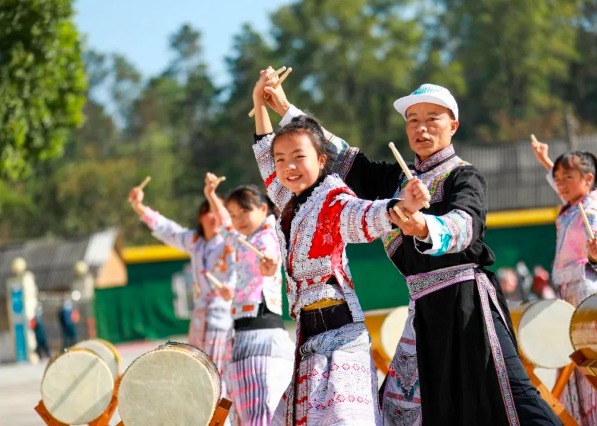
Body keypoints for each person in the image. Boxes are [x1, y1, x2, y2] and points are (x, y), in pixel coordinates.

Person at [263, 77, 561, 425]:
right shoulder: (396, 183)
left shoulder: (463, 176)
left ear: (453, 125)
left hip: (467, 302)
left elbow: (466, 224)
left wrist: (422, 227)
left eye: (432, 118)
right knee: (399, 411)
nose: (420, 127)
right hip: (422, 308)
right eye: (413, 120)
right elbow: (341, 156)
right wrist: (285, 109)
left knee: (512, 395)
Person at [248, 69, 431, 425]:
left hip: (339, 336)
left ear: (320, 159)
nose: (288, 167)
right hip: (308, 335)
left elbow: (364, 216)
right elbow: (264, 157)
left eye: (298, 157)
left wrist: (402, 207)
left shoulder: (332, 196)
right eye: (282, 160)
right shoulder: (287, 200)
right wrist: (258, 103)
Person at [531, 140, 597, 425]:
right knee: (580, 367)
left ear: (588, 179)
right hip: (570, 296)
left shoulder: (592, 208)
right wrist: (546, 160)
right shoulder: (572, 204)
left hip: (587, 294)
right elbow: (562, 184)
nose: (561, 184)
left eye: (568, 177)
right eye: (557, 178)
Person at [127, 184, 236, 399]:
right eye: (208, 211)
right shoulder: (194, 242)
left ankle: (219, 419)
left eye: (219, 211)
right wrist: (138, 206)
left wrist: (231, 288)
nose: (214, 216)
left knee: (215, 373)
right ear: (201, 217)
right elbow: (166, 229)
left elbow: (236, 273)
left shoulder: (230, 244)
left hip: (221, 318)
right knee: (196, 371)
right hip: (199, 318)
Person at [205, 179, 295, 426]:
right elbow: (224, 228)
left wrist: (269, 268)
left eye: (244, 211)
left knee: (262, 406)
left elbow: (271, 261)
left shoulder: (269, 236)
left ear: (263, 209)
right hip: (243, 330)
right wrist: (212, 196)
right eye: (234, 214)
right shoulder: (245, 240)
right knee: (245, 410)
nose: (238, 219)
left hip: (261, 329)